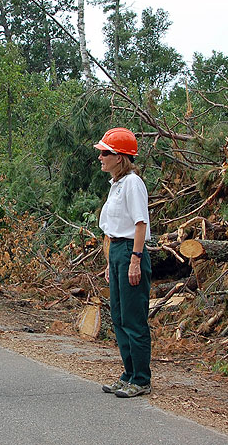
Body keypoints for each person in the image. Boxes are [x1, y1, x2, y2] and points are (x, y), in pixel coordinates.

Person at [95, 127, 152, 398]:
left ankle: (141, 378)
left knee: (133, 318)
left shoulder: (132, 183)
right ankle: (128, 373)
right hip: (117, 251)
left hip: (131, 250)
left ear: (120, 157)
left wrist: (135, 260)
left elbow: (140, 224)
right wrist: (110, 262)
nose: (101, 157)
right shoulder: (116, 184)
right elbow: (114, 227)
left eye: (106, 152)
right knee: (118, 317)